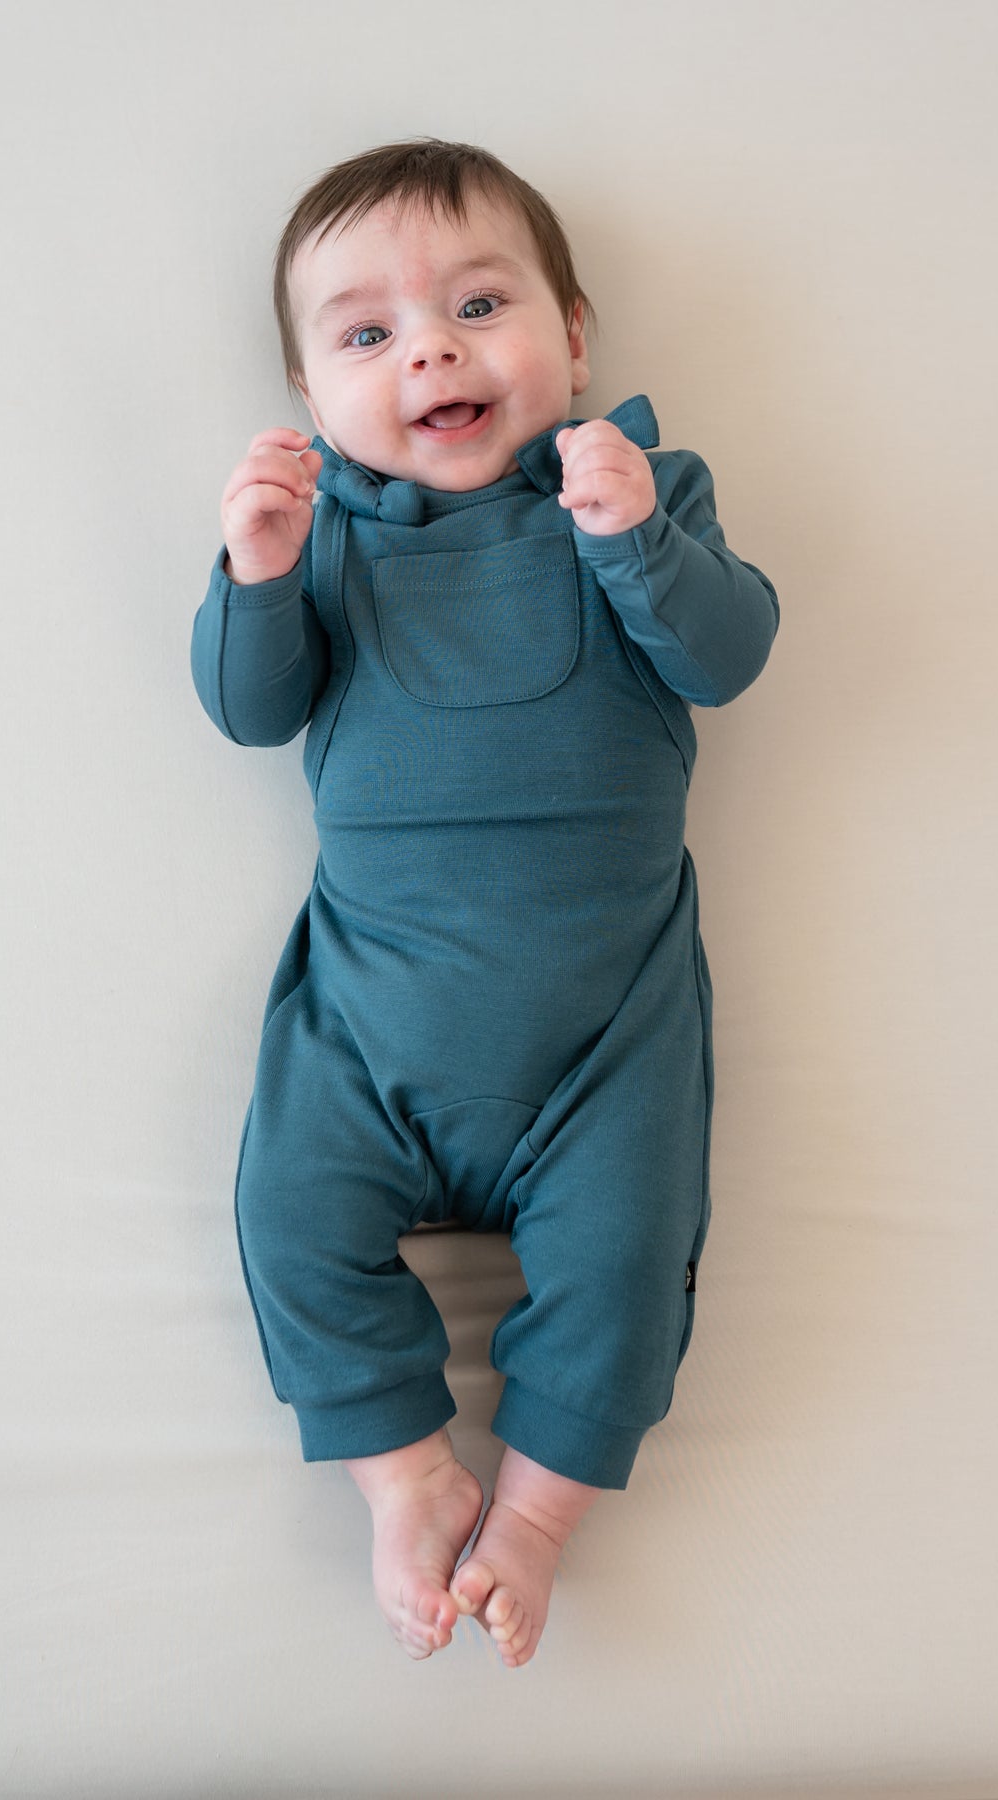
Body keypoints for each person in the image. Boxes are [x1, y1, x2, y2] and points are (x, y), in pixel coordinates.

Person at [191, 138, 778, 1667]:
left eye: (477, 305)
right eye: (368, 335)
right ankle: (401, 1475)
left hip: (608, 1043)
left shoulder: (638, 490)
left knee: (632, 1267)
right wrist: (253, 574)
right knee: (283, 1213)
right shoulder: (323, 540)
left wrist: (636, 536)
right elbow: (253, 713)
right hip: (370, 1023)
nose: (433, 349)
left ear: (573, 337)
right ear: (316, 400)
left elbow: (728, 655)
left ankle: (529, 1516)